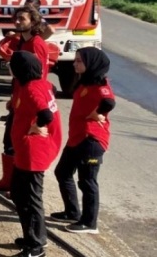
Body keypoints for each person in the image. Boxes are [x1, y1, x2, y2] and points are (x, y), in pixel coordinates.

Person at [0, 4, 51, 191]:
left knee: (19, 144)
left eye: (22, 19)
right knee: (10, 141)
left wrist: (28, 103)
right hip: (19, 98)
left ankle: (18, 188)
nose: (17, 21)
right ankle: (9, 182)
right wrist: (14, 99)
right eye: (16, 18)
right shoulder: (22, 41)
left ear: (33, 22)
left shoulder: (36, 44)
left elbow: (38, 78)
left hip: (29, 102)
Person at [51, 47, 116, 234]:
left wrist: (98, 113)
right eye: (75, 60)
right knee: (62, 172)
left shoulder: (100, 85)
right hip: (77, 138)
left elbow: (109, 102)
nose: (75, 63)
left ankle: (89, 223)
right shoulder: (84, 82)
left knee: (87, 181)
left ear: (92, 63)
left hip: (91, 140)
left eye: (79, 61)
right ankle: (72, 211)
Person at [8, 50, 62, 257]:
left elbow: (46, 114)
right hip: (26, 151)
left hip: (34, 152)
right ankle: (33, 236)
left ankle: (36, 246)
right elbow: (51, 93)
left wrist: (37, 125)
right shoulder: (40, 84)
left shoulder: (31, 89)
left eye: (11, 65)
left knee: (30, 198)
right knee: (18, 193)